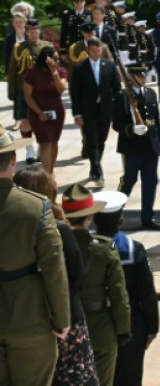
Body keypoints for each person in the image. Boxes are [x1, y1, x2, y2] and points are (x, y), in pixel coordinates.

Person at [13, 166, 98, 386]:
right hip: (65, 320)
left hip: (27, 317)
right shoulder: (59, 228)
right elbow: (76, 276)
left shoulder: (15, 226)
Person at [0, 126, 70, 386]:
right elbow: (54, 267)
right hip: (30, 318)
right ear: (14, 160)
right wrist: (61, 318)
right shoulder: (35, 206)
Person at [62, 183, 131, 386]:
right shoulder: (104, 249)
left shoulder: (55, 245)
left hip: (65, 324)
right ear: (89, 217)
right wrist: (123, 329)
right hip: (100, 329)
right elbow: (119, 294)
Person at [92, 197, 159, 386]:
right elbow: (147, 293)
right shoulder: (134, 250)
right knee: (130, 378)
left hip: (95, 322)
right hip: (132, 324)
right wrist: (152, 327)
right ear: (120, 221)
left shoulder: (87, 249)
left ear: (94, 219)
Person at [113, 62, 160, 230]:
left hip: (150, 146)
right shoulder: (122, 97)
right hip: (132, 147)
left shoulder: (150, 93)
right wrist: (131, 129)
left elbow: (156, 120)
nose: (144, 78)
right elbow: (117, 124)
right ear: (132, 78)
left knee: (150, 182)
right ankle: (115, 213)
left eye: (144, 75)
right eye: (141, 76)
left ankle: (148, 217)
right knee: (129, 180)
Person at [70, 38, 121, 185]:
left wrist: (118, 107)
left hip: (105, 110)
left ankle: (94, 166)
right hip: (87, 110)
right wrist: (77, 113)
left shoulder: (110, 66)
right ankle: (98, 172)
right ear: (88, 51)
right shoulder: (80, 68)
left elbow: (116, 88)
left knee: (101, 140)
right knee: (91, 140)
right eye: (93, 51)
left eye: (98, 51)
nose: (96, 53)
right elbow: (75, 93)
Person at [8, 19, 53, 164]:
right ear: (27, 32)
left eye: (35, 31)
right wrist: (12, 90)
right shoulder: (18, 47)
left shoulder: (47, 46)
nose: (33, 34)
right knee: (25, 122)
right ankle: (29, 150)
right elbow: (13, 70)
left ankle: (41, 148)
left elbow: (54, 70)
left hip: (43, 90)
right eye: (30, 32)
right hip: (23, 90)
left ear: (39, 31)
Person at [23, 46, 67, 174]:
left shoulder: (61, 71)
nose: (57, 62)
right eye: (54, 59)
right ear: (45, 59)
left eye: (58, 60)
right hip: (37, 113)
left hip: (56, 112)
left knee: (53, 141)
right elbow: (28, 96)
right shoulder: (32, 73)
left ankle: (50, 171)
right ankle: (46, 174)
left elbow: (60, 90)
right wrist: (39, 113)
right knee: (45, 142)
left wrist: (54, 72)